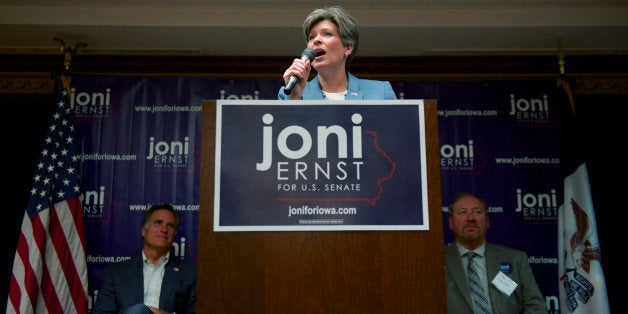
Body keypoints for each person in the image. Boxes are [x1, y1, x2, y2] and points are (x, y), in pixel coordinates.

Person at [444, 193, 546, 314]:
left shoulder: (515, 259)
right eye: (462, 212)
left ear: (487, 221)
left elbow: (536, 307)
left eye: (477, 212)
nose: (470, 218)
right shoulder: (437, 260)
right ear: (451, 223)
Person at [92, 204, 196, 314]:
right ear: (144, 231)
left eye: (170, 226)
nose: (164, 229)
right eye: (158, 223)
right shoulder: (116, 273)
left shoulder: (190, 272)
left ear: (174, 234)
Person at [278, 6, 397, 100]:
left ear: (348, 48)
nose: (316, 40)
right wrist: (295, 99)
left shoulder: (381, 92)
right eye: (312, 37)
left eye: (327, 34)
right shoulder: (289, 94)